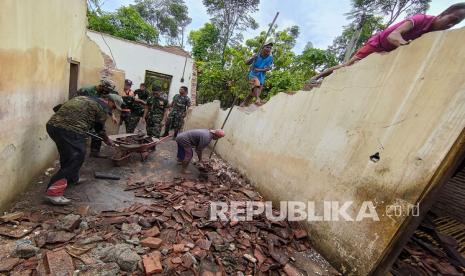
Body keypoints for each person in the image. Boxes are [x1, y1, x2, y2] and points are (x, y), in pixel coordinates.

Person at [309, 3, 465, 84]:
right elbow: (393, 36)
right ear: (443, 14)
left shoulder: (433, 35)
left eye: (455, 24)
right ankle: (317, 77)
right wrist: (405, 45)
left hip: (390, 54)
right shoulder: (420, 19)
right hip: (378, 44)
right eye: (451, 20)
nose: (450, 25)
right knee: (349, 66)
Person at [45, 94, 123, 205]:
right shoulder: (102, 108)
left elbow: (57, 108)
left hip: (52, 126)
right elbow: (100, 130)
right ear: (110, 101)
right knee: (77, 157)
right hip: (69, 130)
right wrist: (107, 140)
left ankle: (72, 178)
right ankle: (53, 192)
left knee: (67, 155)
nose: (112, 109)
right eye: (114, 106)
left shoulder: (84, 97)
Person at [75, 79, 118, 158]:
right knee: (83, 134)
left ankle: (95, 152)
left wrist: (112, 115)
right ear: (102, 86)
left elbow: (106, 105)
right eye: (107, 90)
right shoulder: (86, 90)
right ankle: (78, 153)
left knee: (99, 132)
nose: (108, 92)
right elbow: (76, 102)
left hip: (96, 116)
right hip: (84, 116)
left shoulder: (104, 94)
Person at [241, 42, 273, 107]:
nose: (269, 49)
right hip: (253, 74)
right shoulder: (257, 55)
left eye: (270, 48)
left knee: (253, 93)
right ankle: (258, 99)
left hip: (261, 77)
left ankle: (244, 103)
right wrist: (253, 58)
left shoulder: (270, 58)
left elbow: (268, 68)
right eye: (267, 47)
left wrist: (259, 70)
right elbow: (246, 63)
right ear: (262, 48)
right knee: (256, 85)